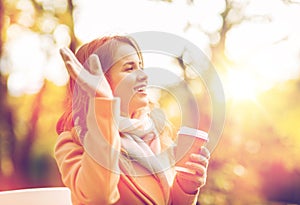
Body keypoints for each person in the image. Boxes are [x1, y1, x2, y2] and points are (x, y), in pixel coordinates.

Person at [55, 35, 210, 205]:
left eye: (141, 67)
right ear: (100, 80)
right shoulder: (75, 143)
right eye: (129, 68)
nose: (144, 76)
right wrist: (103, 102)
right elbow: (98, 197)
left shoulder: (157, 135)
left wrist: (186, 187)